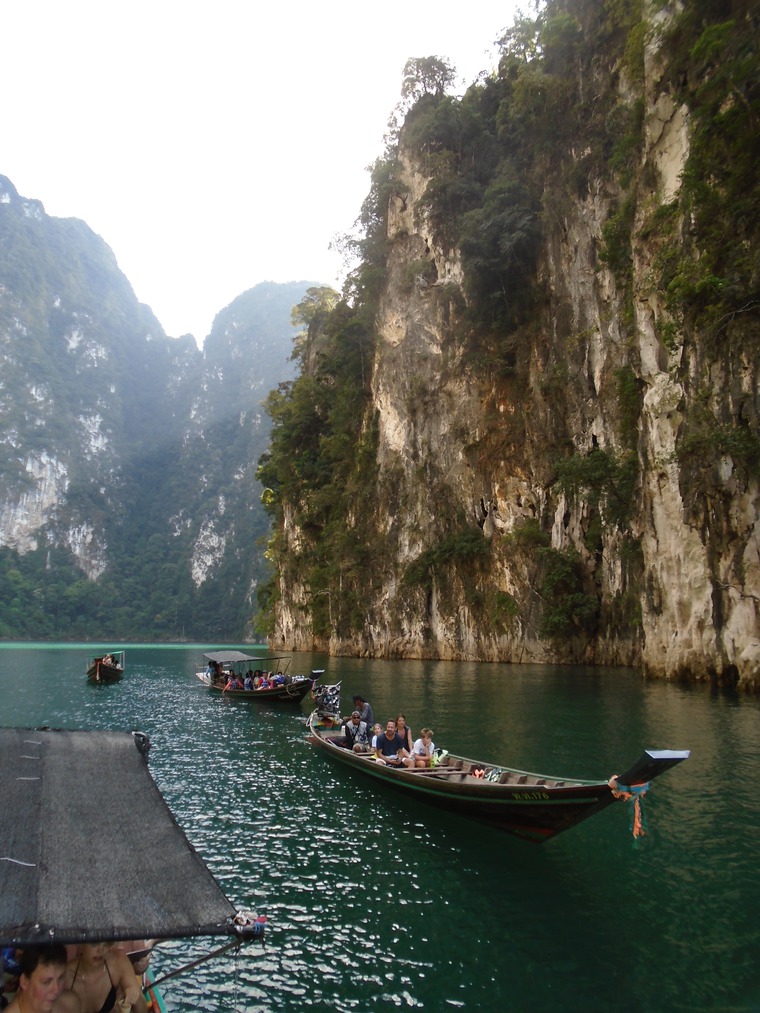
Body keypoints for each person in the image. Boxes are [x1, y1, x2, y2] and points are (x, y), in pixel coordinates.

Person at [65, 942, 147, 1013]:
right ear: (82, 944)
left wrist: (136, 996)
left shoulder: (118, 962)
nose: (101, 950)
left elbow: (143, 1010)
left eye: (107, 943)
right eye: (94, 944)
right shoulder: (66, 976)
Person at [3, 944, 76, 1013]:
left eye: (60, 978)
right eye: (46, 982)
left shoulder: (69, 1004)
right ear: (24, 982)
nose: (56, 990)